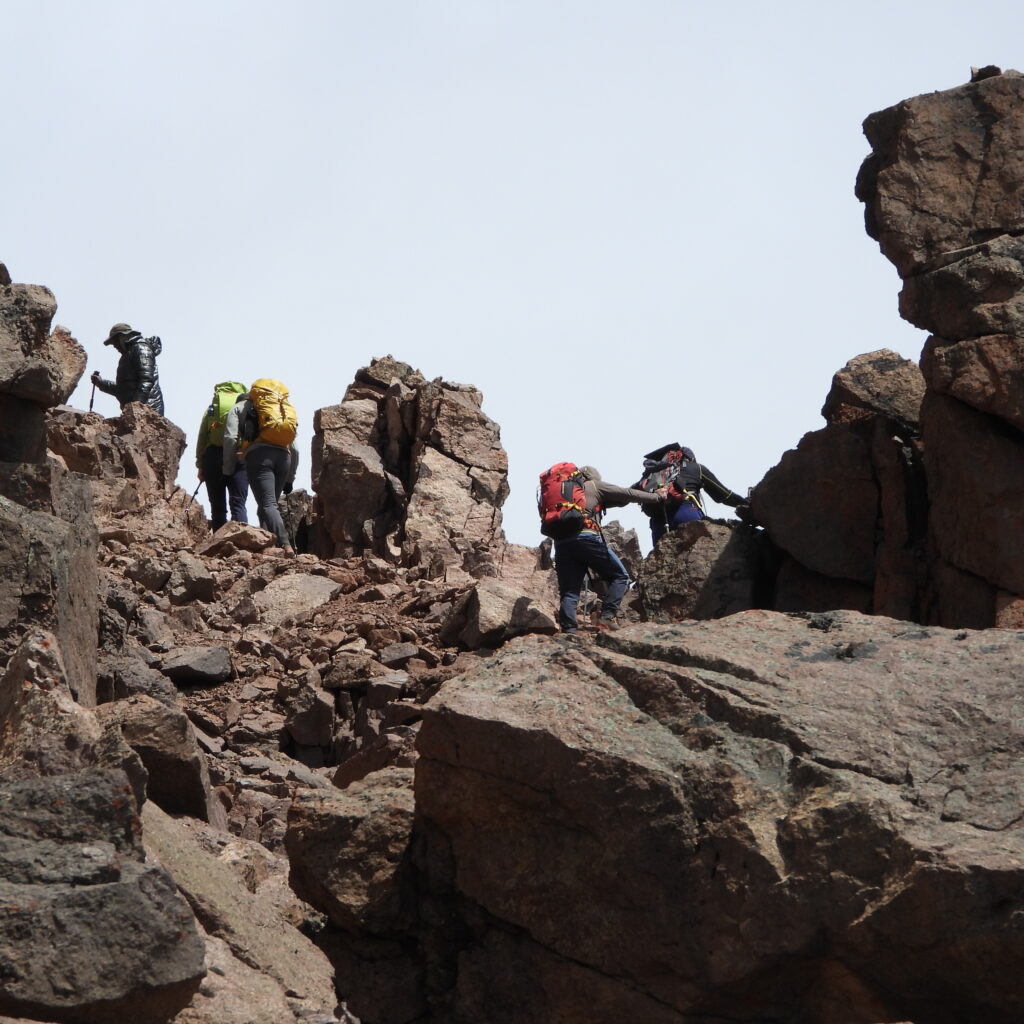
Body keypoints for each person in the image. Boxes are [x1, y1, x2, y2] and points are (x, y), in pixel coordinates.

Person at [553, 466, 665, 635]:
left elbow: (620, 501)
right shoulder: (594, 486)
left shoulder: (565, 494)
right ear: (593, 478)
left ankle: (569, 631)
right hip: (585, 538)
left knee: (569, 591)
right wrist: (656, 497)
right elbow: (627, 494)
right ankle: (607, 616)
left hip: (561, 543)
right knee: (620, 576)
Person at [222, 385, 298, 556]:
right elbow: (296, 447)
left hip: (259, 456)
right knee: (268, 505)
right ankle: (266, 548)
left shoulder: (241, 406)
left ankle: (285, 545)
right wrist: (290, 477)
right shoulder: (281, 410)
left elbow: (230, 437)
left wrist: (228, 468)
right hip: (284, 456)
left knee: (267, 504)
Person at [636, 442, 751, 544]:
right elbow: (725, 495)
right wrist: (747, 504)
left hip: (659, 523)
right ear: (689, 458)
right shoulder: (696, 468)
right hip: (687, 513)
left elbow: (628, 495)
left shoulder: (650, 476)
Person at [195, 382, 250, 531]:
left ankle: (218, 545)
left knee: (217, 506)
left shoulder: (212, 408)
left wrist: (200, 465)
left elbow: (203, 437)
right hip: (239, 455)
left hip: (213, 456)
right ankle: (242, 541)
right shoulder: (246, 407)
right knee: (238, 503)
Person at [90, 323, 165, 415]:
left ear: (123, 337)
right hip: (138, 412)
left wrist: (136, 407)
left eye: (115, 341)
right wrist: (101, 383)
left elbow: (146, 381)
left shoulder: (141, 349)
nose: (114, 346)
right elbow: (123, 390)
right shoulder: (128, 354)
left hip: (149, 411)